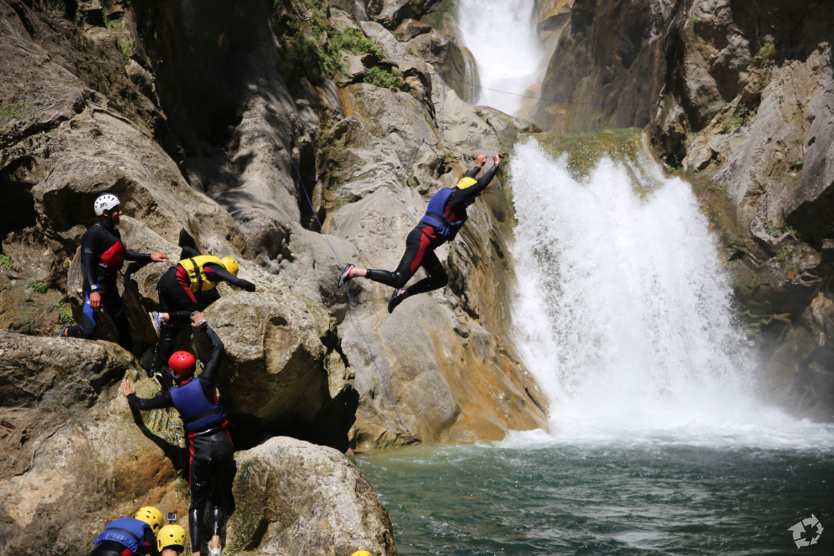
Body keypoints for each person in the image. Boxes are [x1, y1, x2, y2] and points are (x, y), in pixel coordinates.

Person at [122, 317, 234, 556]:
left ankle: (195, 552)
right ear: (193, 368)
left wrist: (131, 397)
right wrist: (204, 326)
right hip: (223, 443)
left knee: (198, 500)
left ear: (173, 372)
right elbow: (219, 348)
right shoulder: (205, 382)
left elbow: (144, 404)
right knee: (219, 493)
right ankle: (215, 541)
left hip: (201, 449)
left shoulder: (172, 396)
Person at [338, 153, 501, 313]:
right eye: (472, 196)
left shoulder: (452, 194)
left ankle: (403, 293)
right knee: (398, 279)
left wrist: (478, 166)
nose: (473, 199)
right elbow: (479, 185)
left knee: (440, 279)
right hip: (421, 241)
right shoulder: (456, 200)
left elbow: (467, 180)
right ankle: (354, 271)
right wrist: (495, 166)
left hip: (425, 243)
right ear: (467, 193)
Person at [63, 193, 168, 349]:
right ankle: (65, 332)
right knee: (88, 328)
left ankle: (129, 357)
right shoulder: (93, 234)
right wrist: (93, 290)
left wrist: (149, 256)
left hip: (110, 288)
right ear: (105, 213)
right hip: (95, 287)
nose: (120, 213)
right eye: (116, 210)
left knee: (123, 325)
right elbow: (87, 264)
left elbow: (123, 254)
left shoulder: (113, 231)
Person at [152, 247, 255, 376]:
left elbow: (187, 250)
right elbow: (229, 278)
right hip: (177, 281)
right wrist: (244, 284)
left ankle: (158, 368)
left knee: (169, 330)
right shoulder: (217, 268)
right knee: (194, 314)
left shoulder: (205, 260)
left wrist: (181, 262)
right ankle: (162, 316)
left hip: (167, 278)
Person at [90, 506, 163, 556]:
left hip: (96, 552)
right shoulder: (146, 530)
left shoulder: (118, 521)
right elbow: (156, 552)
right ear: (155, 524)